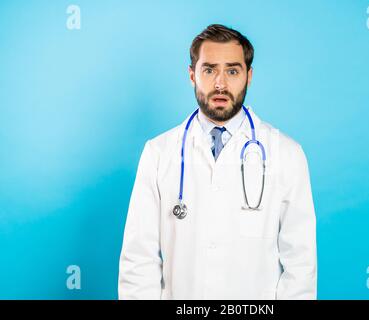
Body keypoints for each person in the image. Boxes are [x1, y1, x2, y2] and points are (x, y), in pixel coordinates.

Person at [118, 24, 317, 300]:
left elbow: (300, 265)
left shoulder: (286, 154)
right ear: (192, 75)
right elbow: (139, 260)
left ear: (249, 76)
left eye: (232, 71)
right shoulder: (159, 153)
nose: (220, 83)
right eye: (209, 70)